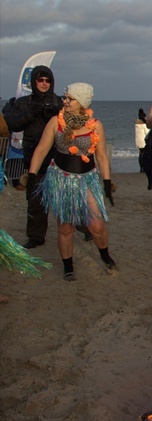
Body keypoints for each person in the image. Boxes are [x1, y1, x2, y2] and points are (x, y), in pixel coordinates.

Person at [27, 83, 115, 280]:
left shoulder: (96, 124)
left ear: (82, 102)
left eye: (70, 98)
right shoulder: (55, 122)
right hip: (62, 179)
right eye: (65, 97)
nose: (64, 101)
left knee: (97, 225)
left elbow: (101, 156)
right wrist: (32, 175)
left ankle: (105, 255)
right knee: (65, 227)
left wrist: (107, 181)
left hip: (87, 179)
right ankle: (68, 267)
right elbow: (41, 150)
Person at [4, 66, 64, 248]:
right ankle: (36, 237)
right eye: (40, 80)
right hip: (33, 158)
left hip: (58, 157)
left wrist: (56, 113)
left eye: (47, 80)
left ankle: (85, 230)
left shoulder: (59, 101)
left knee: (66, 196)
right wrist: (33, 112)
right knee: (35, 199)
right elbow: (13, 124)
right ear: (34, 82)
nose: (44, 84)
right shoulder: (23, 102)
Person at [135, 108, 149, 172]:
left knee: (140, 154)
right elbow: (147, 133)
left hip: (138, 142)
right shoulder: (144, 125)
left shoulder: (136, 125)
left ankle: (141, 168)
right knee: (144, 155)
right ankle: (144, 167)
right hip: (143, 142)